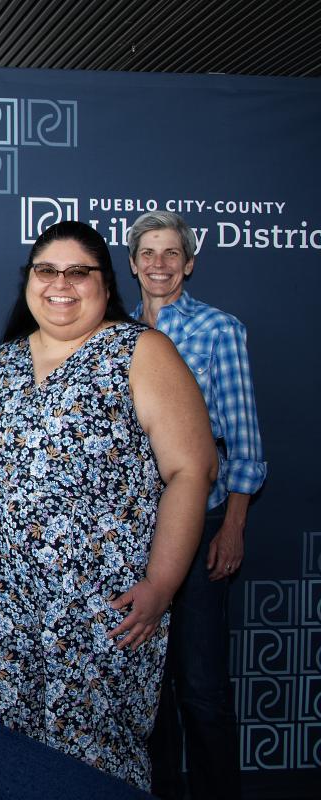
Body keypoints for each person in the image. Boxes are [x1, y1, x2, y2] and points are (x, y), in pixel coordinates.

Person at [0, 221, 216, 789]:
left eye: (79, 271)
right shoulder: (1, 365)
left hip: (102, 612)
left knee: (93, 765)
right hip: (4, 605)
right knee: (0, 755)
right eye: (47, 270)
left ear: (104, 282)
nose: (60, 284)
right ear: (29, 281)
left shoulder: (141, 351)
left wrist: (163, 583)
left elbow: (191, 470)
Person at [127, 210, 266, 800]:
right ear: (132, 264)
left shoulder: (217, 329)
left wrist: (232, 526)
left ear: (189, 263)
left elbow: (245, 438)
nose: (160, 264)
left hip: (203, 522)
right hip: (132, 534)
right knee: (145, 689)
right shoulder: (114, 332)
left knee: (202, 687)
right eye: (148, 254)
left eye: (171, 254)